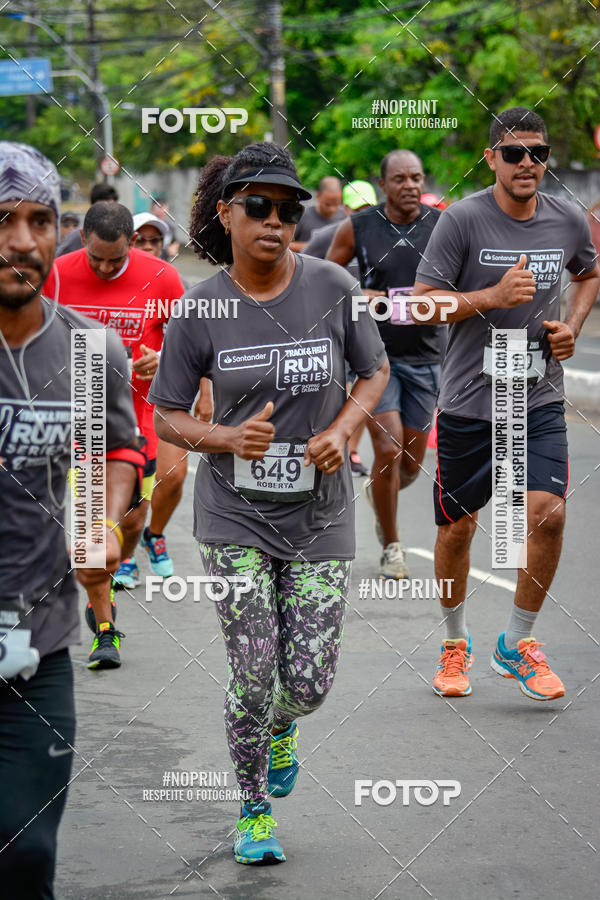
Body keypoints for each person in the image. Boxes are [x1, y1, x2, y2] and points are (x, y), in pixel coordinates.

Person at [149, 142, 388, 864]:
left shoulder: (332, 286)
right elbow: (166, 415)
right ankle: (253, 809)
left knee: (308, 683)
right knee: (254, 668)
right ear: (225, 213)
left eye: (286, 209)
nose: (274, 221)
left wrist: (343, 429)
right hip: (235, 516)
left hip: (318, 514)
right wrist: (225, 437)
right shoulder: (201, 309)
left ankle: (284, 723)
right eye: (258, 205)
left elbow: (373, 372)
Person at [412, 106, 600, 700]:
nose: (527, 164)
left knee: (549, 512)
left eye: (538, 153)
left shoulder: (568, 219)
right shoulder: (462, 221)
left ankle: (515, 642)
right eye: (514, 153)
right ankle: (454, 642)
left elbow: (589, 272)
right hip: (469, 401)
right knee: (458, 531)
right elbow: (423, 304)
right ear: (492, 157)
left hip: (536, 396)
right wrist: (490, 296)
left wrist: (571, 325)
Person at [0, 142, 141, 898]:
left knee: (24, 851)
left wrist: (103, 519)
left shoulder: (92, 350)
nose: (22, 240)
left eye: (40, 220)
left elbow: (118, 444)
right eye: (2, 220)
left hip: (36, 640)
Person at [43, 202, 185, 663]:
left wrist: (162, 360)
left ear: (132, 244)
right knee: (89, 530)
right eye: (97, 258)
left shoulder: (162, 277)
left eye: (116, 260)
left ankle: (116, 571)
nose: (105, 268)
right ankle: (106, 629)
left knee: (127, 523)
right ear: (82, 238)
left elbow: (192, 344)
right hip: (76, 418)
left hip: (138, 417)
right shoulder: (56, 275)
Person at [327, 150, 444, 579]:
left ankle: (381, 497)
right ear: (383, 184)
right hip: (376, 357)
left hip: (428, 356)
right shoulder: (358, 227)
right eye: (400, 179)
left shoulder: (441, 227)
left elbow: (466, 282)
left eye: (416, 177)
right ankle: (393, 547)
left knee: (410, 465)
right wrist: (361, 296)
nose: (410, 185)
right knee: (388, 447)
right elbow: (322, 276)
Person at [132, 211, 213, 575]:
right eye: (140, 241)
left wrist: (205, 393)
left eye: (154, 241)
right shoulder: (117, 282)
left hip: (166, 399)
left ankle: (155, 533)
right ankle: (122, 553)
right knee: (129, 478)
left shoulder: (169, 281)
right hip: (118, 401)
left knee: (174, 476)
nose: (148, 247)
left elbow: (196, 344)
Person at [302, 179, 378, 477]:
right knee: (338, 388)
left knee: (365, 384)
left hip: (372, 326)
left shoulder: (385, 236)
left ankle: (352, 449)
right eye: (358, 208)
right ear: (347, 208)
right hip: (333, 324)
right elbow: (299, 267)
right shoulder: (328, 235)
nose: (364, 213)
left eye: (369, 208)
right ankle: (331, 441)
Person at [56, 182, 118, 257]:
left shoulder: (121, 237)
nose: (107, 212)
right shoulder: (76, 237)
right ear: (92, 206)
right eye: (101, 208)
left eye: (111, 207)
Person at [289, 175, 345, 251]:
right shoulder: (303, 216)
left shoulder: (343, 217)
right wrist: (314, 246)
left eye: (336, 204)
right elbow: (286, 244)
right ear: (318, 196)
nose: (332, 209)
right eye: (327, 204)